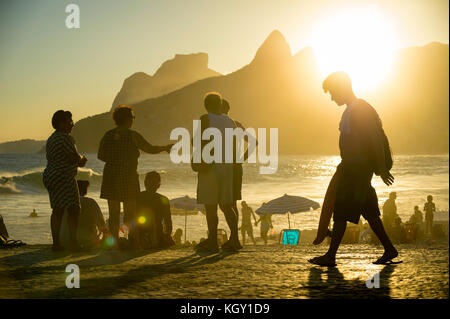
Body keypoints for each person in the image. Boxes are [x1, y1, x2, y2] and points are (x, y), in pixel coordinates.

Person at [309, 72, 398, 266]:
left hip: (356, 168)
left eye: (333, 92)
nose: (332, 98)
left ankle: (331, 256)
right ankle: (389, 249)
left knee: (340, 210)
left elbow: (374, 138)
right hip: (353, 167)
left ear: (342, 88)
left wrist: (382, 168)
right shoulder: (352, 109)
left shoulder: (359, 109)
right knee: (370, 212)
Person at [98, 105, 172, 248]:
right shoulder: (133, 135)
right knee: (130, 213)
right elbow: (149, 149)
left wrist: (115, 159)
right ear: (127, 119)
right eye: (132, 117)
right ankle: (132, 240)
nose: (133, 120)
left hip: (110, 176)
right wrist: (165, 148)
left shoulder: (108, 135)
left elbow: (100, 155)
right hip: (128, 177)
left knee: (113, 214)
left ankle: (115, 243)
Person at [194, 93, 242, 252]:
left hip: (211, 166)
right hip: (227, 167)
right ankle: (234, 239)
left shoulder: (205, 119)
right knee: (227, 205)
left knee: (210, 206)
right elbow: (235, 144)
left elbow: (199, 141)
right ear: (220, 104)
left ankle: (213, 241)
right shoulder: (230, 121)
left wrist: (198, 160)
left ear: (205, 105)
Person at [43, 110, 87, 251]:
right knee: (74, 209)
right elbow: (74, 158)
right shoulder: (65, 138)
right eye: (70, 122)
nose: (72, 125)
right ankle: (73, 243)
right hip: (64, 177)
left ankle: (56, 244)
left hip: (51, 176)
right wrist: (82, 160)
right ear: (61, 123)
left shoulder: (51, 138)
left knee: (57, 210)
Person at [220, 99, 258, 222]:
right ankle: (234, 236)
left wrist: (241, 159)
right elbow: (254, 142)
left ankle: (234, 236)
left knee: (227, 203)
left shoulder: (230, 125)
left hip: (228, 167)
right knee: (230, 203)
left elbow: (254, 142)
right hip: (234, 167)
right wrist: (240, 159)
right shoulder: (235, 124)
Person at [60, 180, 107, 249]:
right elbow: (102, 225)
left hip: (64, 240)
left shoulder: (64, 202)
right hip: (86, 240)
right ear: (85, 191)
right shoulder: (91, 202)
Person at [136, 171, 174, 249]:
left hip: (140, 234)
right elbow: (168, 222)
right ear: (159, 185)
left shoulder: (138, 197)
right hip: (156, 235)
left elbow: (131, 218)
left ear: (145, 183)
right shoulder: (163, 200)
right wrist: (167, 236)